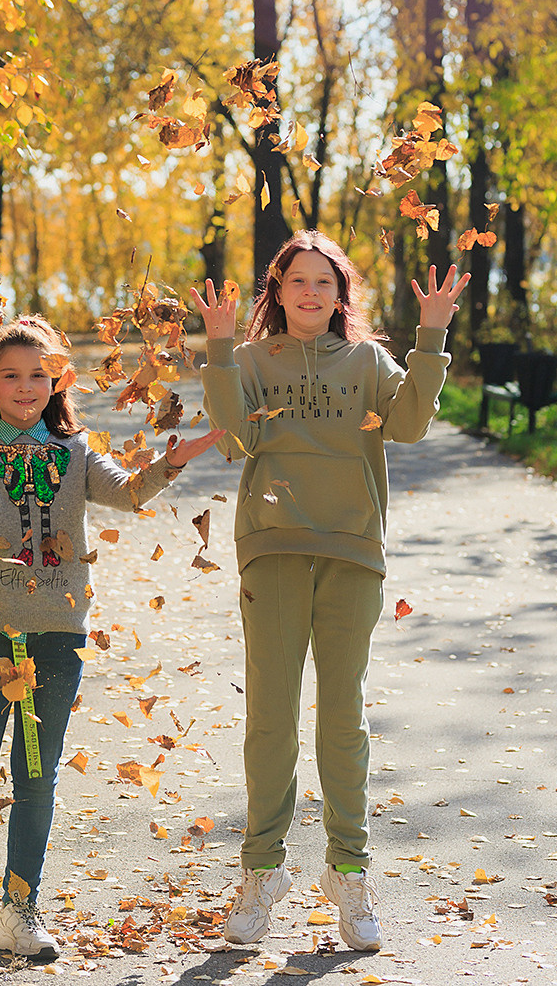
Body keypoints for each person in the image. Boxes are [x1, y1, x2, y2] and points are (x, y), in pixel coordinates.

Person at [0, 315, 221, 972]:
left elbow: (125, 493)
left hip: (57, 635)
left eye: (38, 374)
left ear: (57, 379)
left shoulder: (77, 447)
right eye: (10, 375)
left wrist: (170, 462)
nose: (25, 386)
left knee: (37, 777)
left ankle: (20, 911)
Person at [191, 233, 469, 954]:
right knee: (271, 720)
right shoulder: (251, 361)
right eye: (297, 282)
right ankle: (261, 872)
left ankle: (349, 869)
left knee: (342, 719)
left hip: (352, 551)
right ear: (276, 294)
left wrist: (431, 334)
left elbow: (407, 425)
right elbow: (232, 442)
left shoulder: (369, 360)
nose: (311, 293)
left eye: (325, 282)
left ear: (342, 294)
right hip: (273, 547)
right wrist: (219, 351)